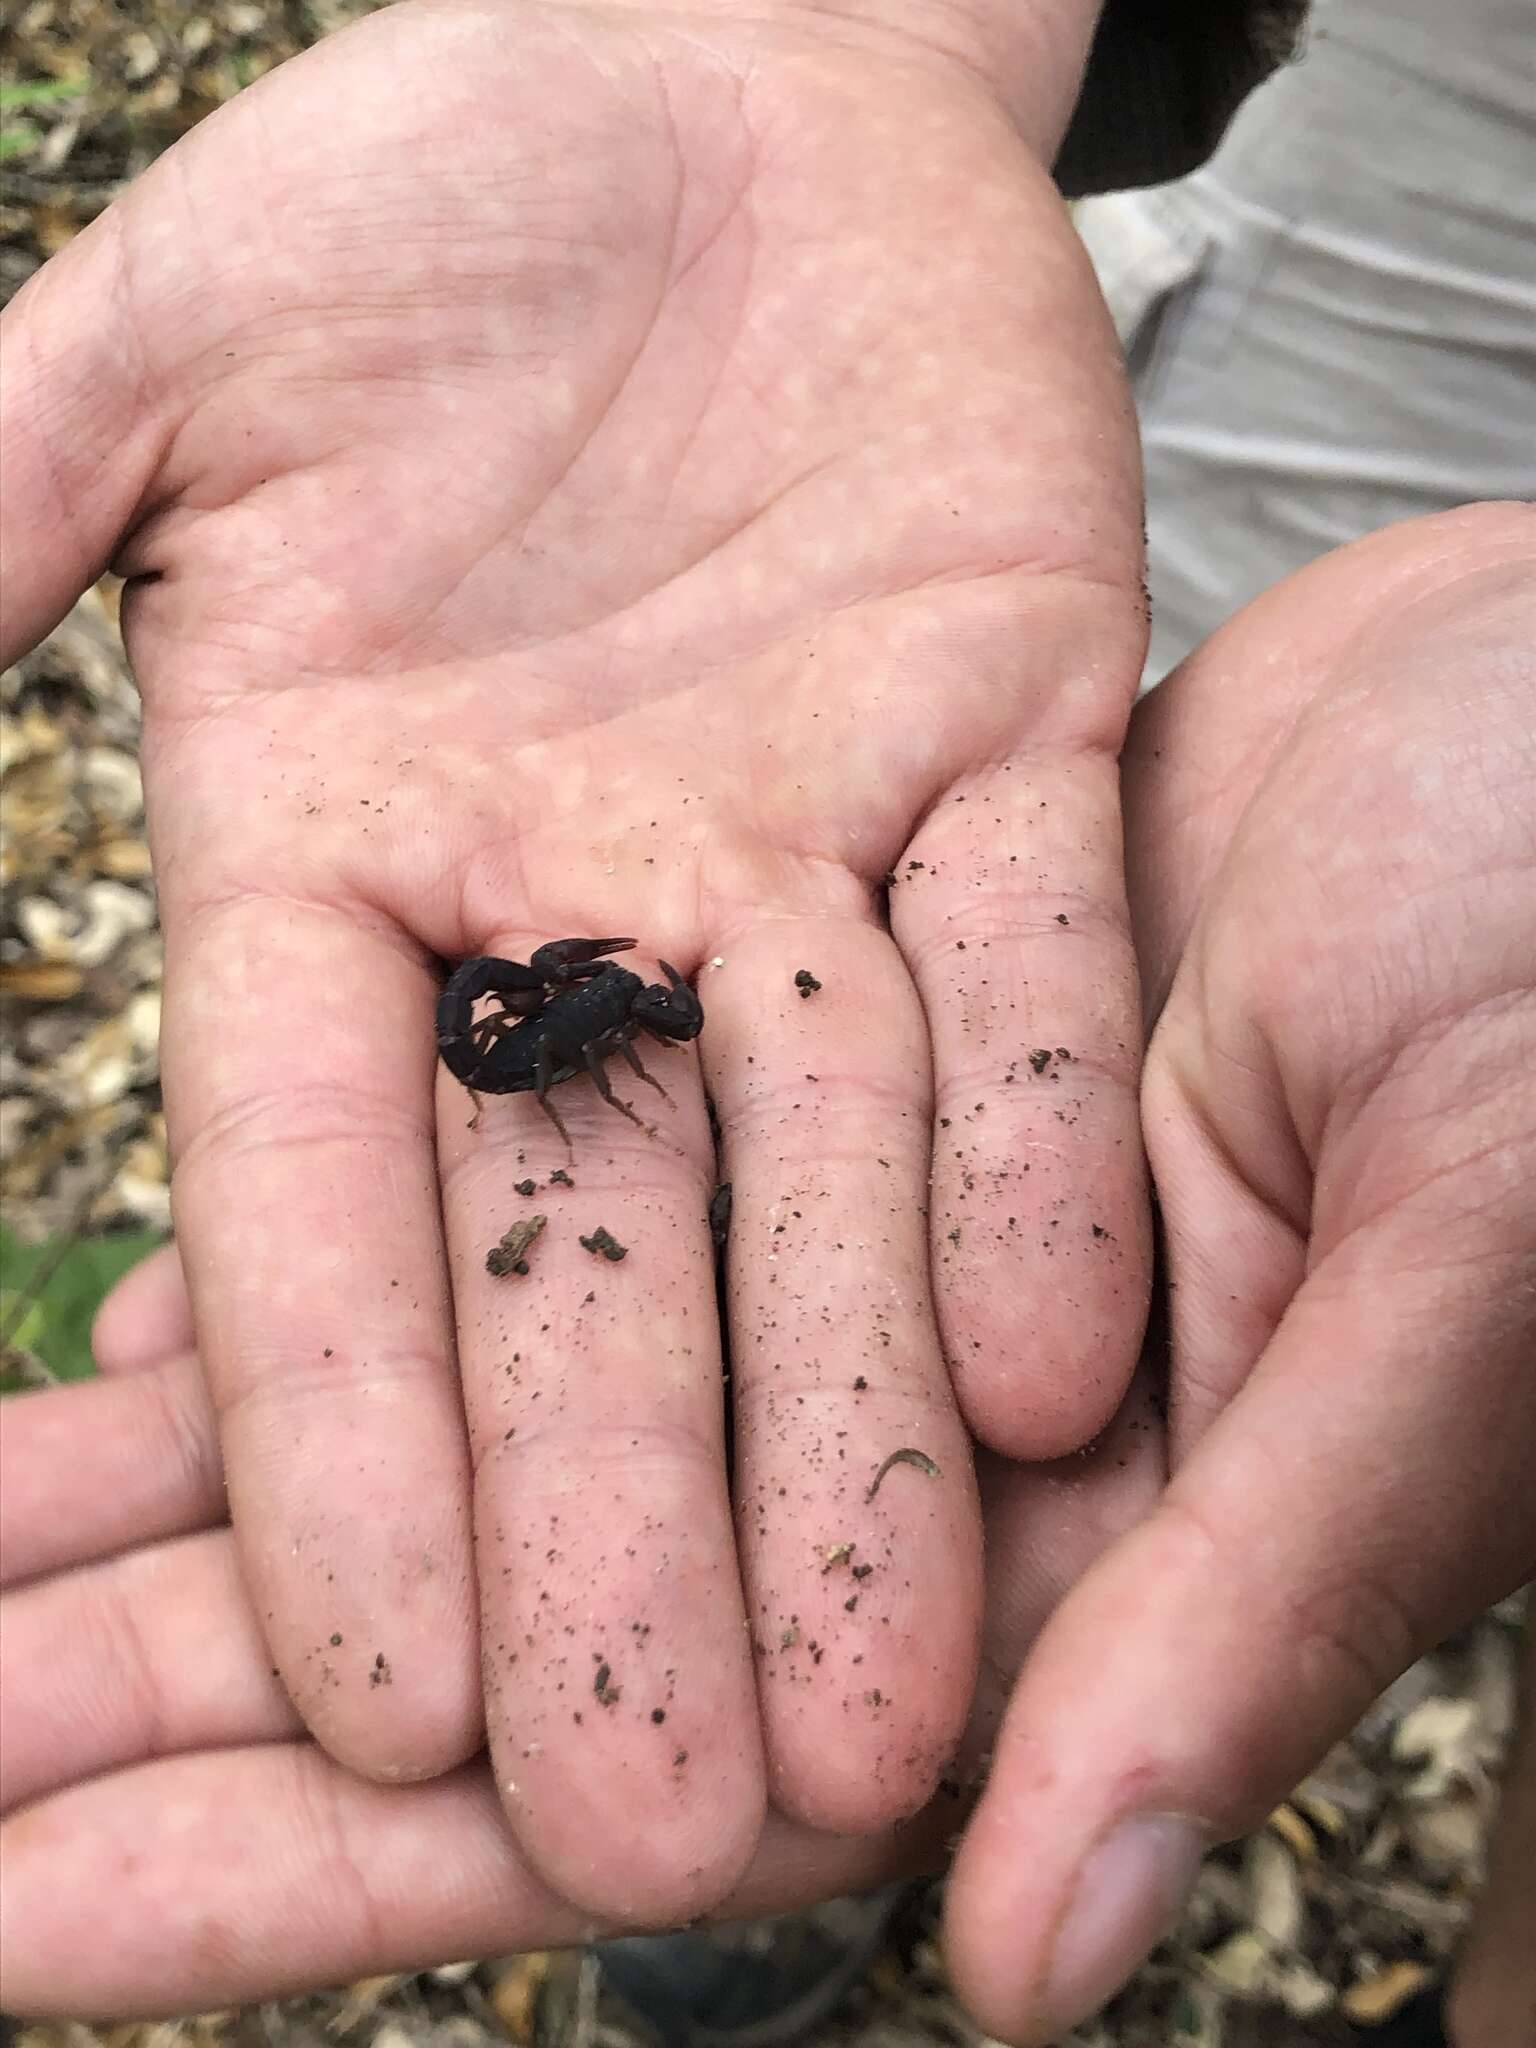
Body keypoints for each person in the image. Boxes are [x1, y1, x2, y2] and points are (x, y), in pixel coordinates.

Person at [3, 505, 1533, 2046]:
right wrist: (569, 1054)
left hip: (570, 1007)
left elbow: (616, 1028)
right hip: (526, 1042)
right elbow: (554, 1058)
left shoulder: (622, 1003)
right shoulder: (576, 1025)